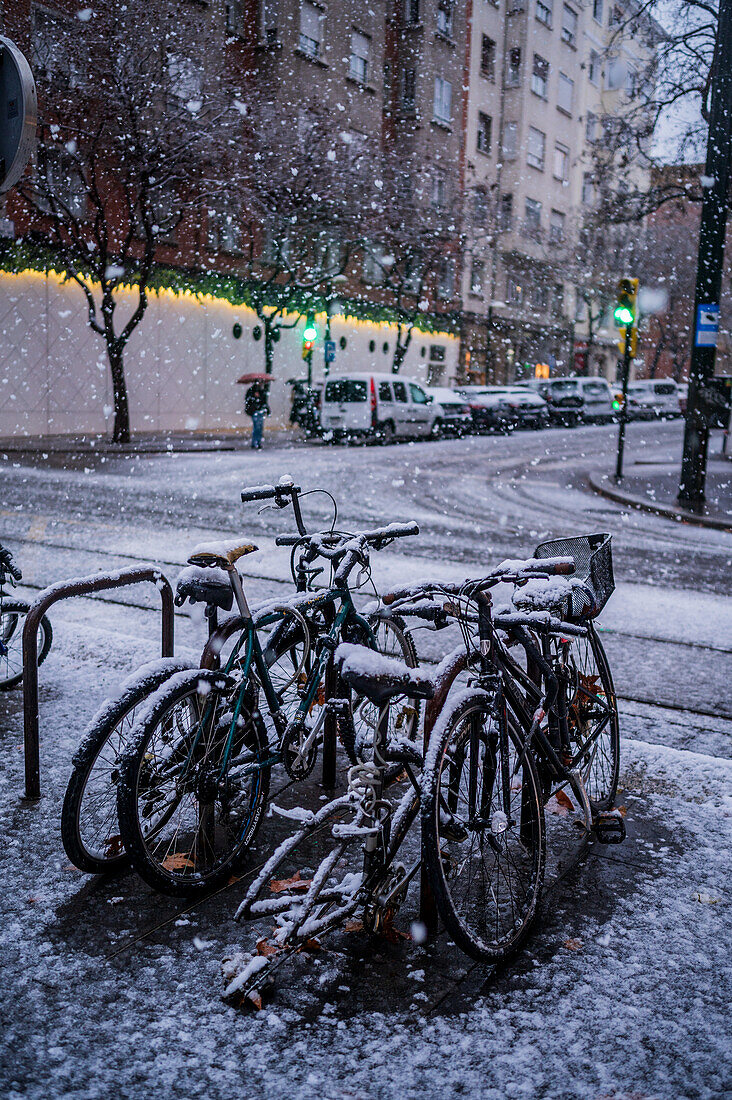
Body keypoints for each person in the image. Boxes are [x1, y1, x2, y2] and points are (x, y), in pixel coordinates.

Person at [244, 380, 269, 450]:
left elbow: (264, 401)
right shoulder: (251, 391)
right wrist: (255, 397)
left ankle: (258, 442)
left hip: (260, 410)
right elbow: (248, 400)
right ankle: (255, 442)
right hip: (255, 411)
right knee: (257, 427)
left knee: (259, 427)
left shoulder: (261, 391)